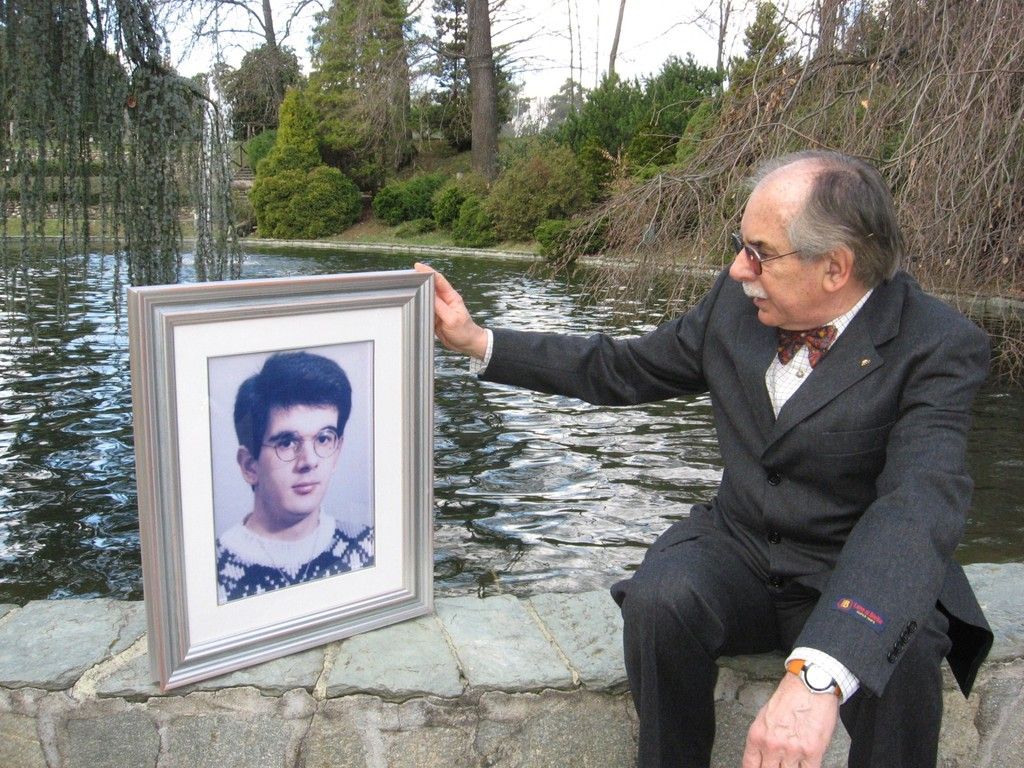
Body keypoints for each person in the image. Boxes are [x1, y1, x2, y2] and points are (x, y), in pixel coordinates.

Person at [415, 149, 993, 768]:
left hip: (851, 562)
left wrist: (819, 675)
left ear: (834, 267)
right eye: (740, 246)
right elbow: (623, 368)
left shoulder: (937, 344)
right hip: (739, 547)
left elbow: (916, 507)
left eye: (760, 253)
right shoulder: (734, 305)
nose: (739, 268)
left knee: (902, 652)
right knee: (659, 600)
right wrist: (478, 341)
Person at [215, 350, 374, 603]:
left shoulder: (368, 546)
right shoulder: (213, 573)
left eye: (323, 439)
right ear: (249, 466)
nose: (309, 461)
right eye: (287, 442)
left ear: (337, 451)